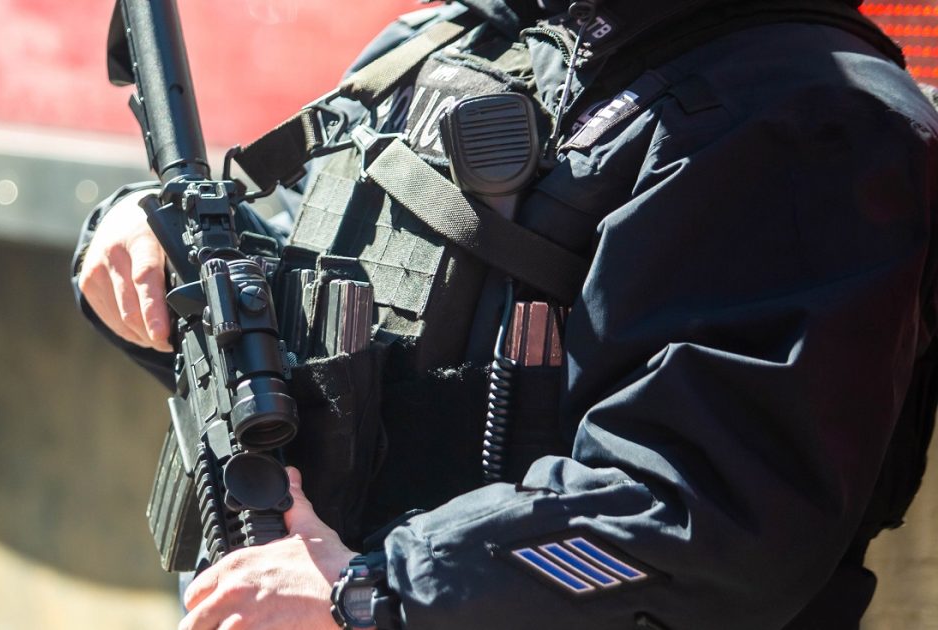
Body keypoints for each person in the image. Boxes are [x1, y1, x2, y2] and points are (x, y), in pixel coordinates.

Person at [73, 0, 938, 627]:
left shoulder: (807, 116)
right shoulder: (455, 39)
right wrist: (149, 248)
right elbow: (321, 303)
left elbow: (706, 514)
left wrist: (372, 593)